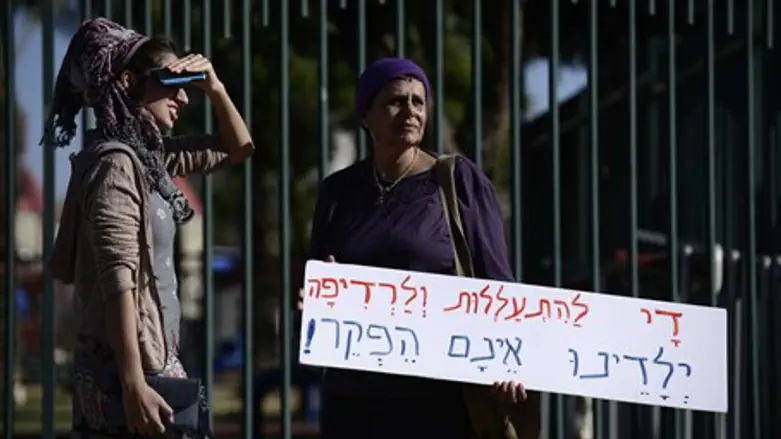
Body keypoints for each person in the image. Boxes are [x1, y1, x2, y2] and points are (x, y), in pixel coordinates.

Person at [304, 57, 540, 439]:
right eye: (396, 101)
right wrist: (317, 293)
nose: (410, 111)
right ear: (366, 116)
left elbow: (498, 284)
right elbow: (313, 284)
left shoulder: (458, 182)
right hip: (354, 403)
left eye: (418, 101)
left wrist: (509, 361)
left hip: (437, 402)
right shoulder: (338, 192)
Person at [43, 18, 254, 438]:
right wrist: (133, 384)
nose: (184, 98)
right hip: (128, 376)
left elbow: (239, 148)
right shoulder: (116, 165)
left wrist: (214, 86)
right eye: (172, 83)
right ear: (129, 82)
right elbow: (118, 280)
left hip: (150, 362)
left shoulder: (151, 161)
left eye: (187, 85)